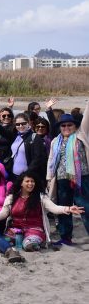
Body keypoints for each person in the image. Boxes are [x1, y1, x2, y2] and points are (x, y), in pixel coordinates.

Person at [0, 172, 85, 251]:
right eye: (27, 181)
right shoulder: (12, 197)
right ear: (21, 183)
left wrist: (68, 209)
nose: (30, 184)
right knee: (3, 243)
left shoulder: (41, 197)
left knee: (29, 245)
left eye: (32, 181)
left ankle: (32, 243)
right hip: (15, 230)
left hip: (35, 230)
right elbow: (4, 212)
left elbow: (54, 208)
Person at [46, 105, 89, 246]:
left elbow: (86, 119)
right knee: (64, 208)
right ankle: (66, 237)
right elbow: (51, 160)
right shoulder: (55, 141)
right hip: (61, 180)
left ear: (74, 126)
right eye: (63, 125)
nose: (66, 127)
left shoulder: (80, 135)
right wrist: (49, 178)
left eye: (69, 125)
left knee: (85, 207)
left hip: (81, 178)